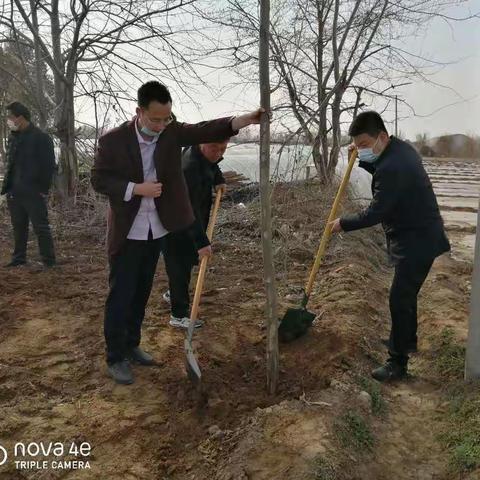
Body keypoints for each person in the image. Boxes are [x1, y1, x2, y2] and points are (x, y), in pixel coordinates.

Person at [91, 80, 262, 385]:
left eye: (166, 118)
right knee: (121, 294)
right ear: (139, 112)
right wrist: (136, 189)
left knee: (142, 292)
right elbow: (99, 180)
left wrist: (242, 121)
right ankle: (115, 356)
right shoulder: (113, 141)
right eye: (155, 118)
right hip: (128, 230)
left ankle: (132, 345)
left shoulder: (170, 134)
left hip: (155, 229)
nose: (160, 125)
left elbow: (204, 130)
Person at [330, 111, 450, 382]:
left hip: (416, 241)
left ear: (381, 137)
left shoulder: (393, 166)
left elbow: (376, 212)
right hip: (420, 235)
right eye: (357, 146)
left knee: (399, 298)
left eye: (363, 145)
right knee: (406, 297)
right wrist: (362, 156)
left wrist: (343, 223)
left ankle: (397, 363)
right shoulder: (399, 150)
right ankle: (407, 340)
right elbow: (384, 171)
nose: (361, 151)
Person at [162, 139, 229, 328]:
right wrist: (201, 241)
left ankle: (173, 293)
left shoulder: (201, 153)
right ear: (202, 144)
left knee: (188, 260)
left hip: (191, 219)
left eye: (223, 149)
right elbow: (187, 210)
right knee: (179, 265)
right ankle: (179, 315)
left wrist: (218, 179)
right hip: (175, 223)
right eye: (214, 148)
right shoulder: (189, 168)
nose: (218, 153)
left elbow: (212, 165)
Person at [1, 102, 56, 269]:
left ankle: (48, 261)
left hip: (33, 191)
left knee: (41, 227)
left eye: (10, 117)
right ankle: (19, 258)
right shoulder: (13, 137)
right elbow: (10, 164)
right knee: (18, 227)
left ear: (20, 118)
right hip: (14, 191)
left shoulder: (41, 138)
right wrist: (6, 189)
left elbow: (49, 166)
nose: (8, 121)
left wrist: (42, 190)